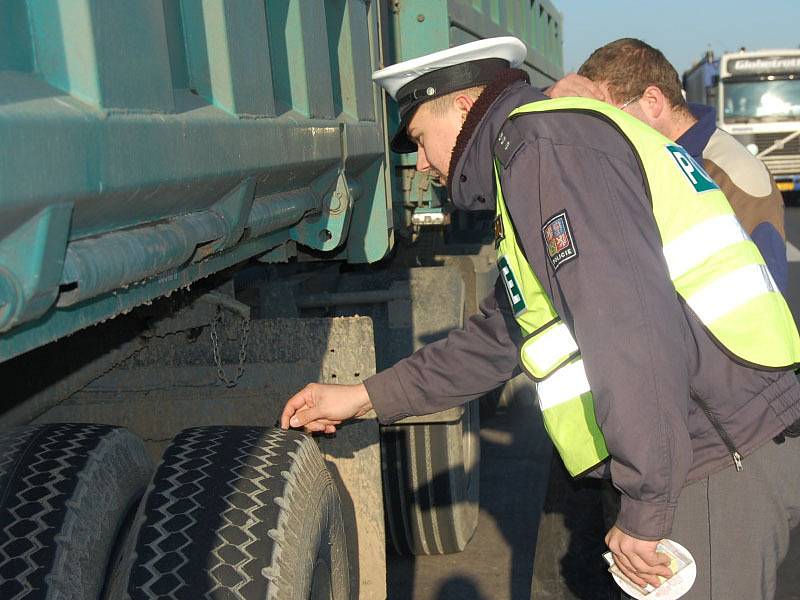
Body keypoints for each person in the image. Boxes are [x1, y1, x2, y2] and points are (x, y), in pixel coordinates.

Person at [281, 36, 800, 600]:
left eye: (419, 140)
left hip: (710, 460)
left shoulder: (545, 148)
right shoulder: (538, 156)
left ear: (461, 104)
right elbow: (502, 334)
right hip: (703, 451)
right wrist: (363, 397)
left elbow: (626, 326)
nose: (424, 164)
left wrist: (649, 501)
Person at [552, 37, 788, 292]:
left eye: (609, 117)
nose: (601, 133)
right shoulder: (641, 159)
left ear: (652, 101)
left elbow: (763, 299)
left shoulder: (735, 174)